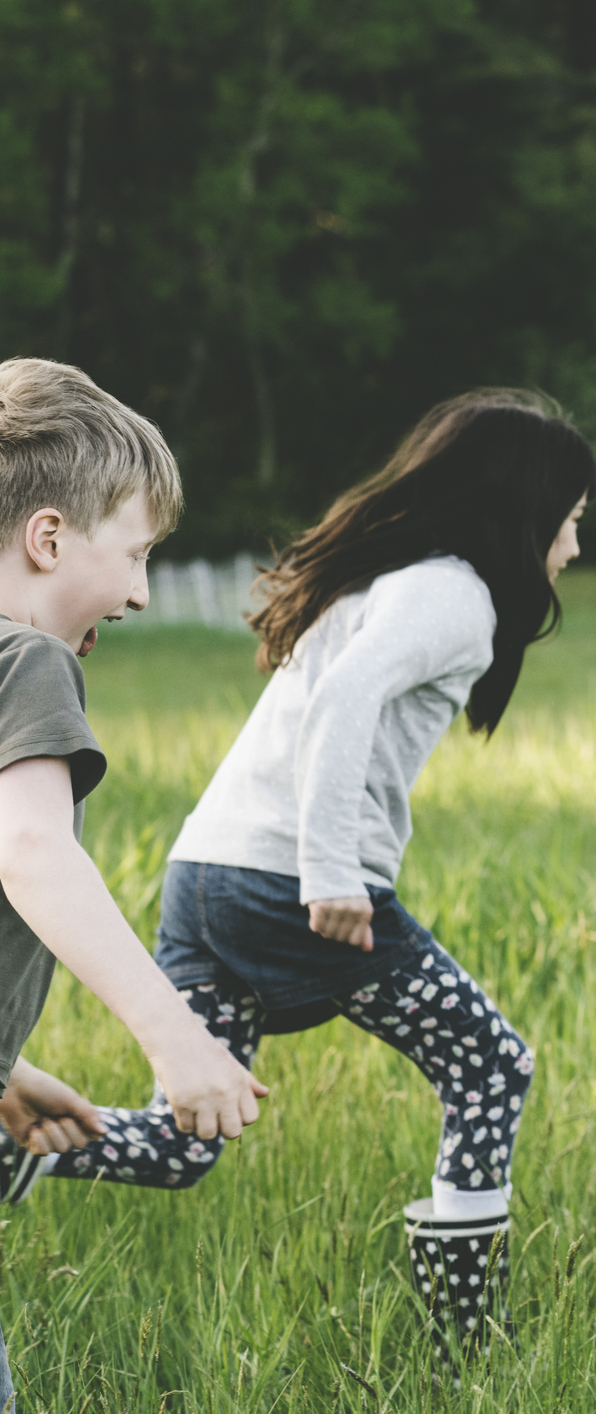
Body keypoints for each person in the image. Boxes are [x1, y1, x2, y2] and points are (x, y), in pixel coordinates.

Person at [0, 388, 596, 1365]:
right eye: (571, 522)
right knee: (492, 1067)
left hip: (209, 869)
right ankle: (467, 1343)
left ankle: (7, 1126)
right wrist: (332, 872)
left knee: (183, 1143)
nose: (572, 550)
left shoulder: (384, 580)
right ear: (527, 508)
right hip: (288, 881)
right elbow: (344, 705)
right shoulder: (454, 591)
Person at [0, 357, 269, 1407]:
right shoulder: (26, 665)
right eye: (138, 549)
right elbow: (28, 850)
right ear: (50, 536)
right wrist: (173, 1034)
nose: (145, 590)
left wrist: (7, 1072)